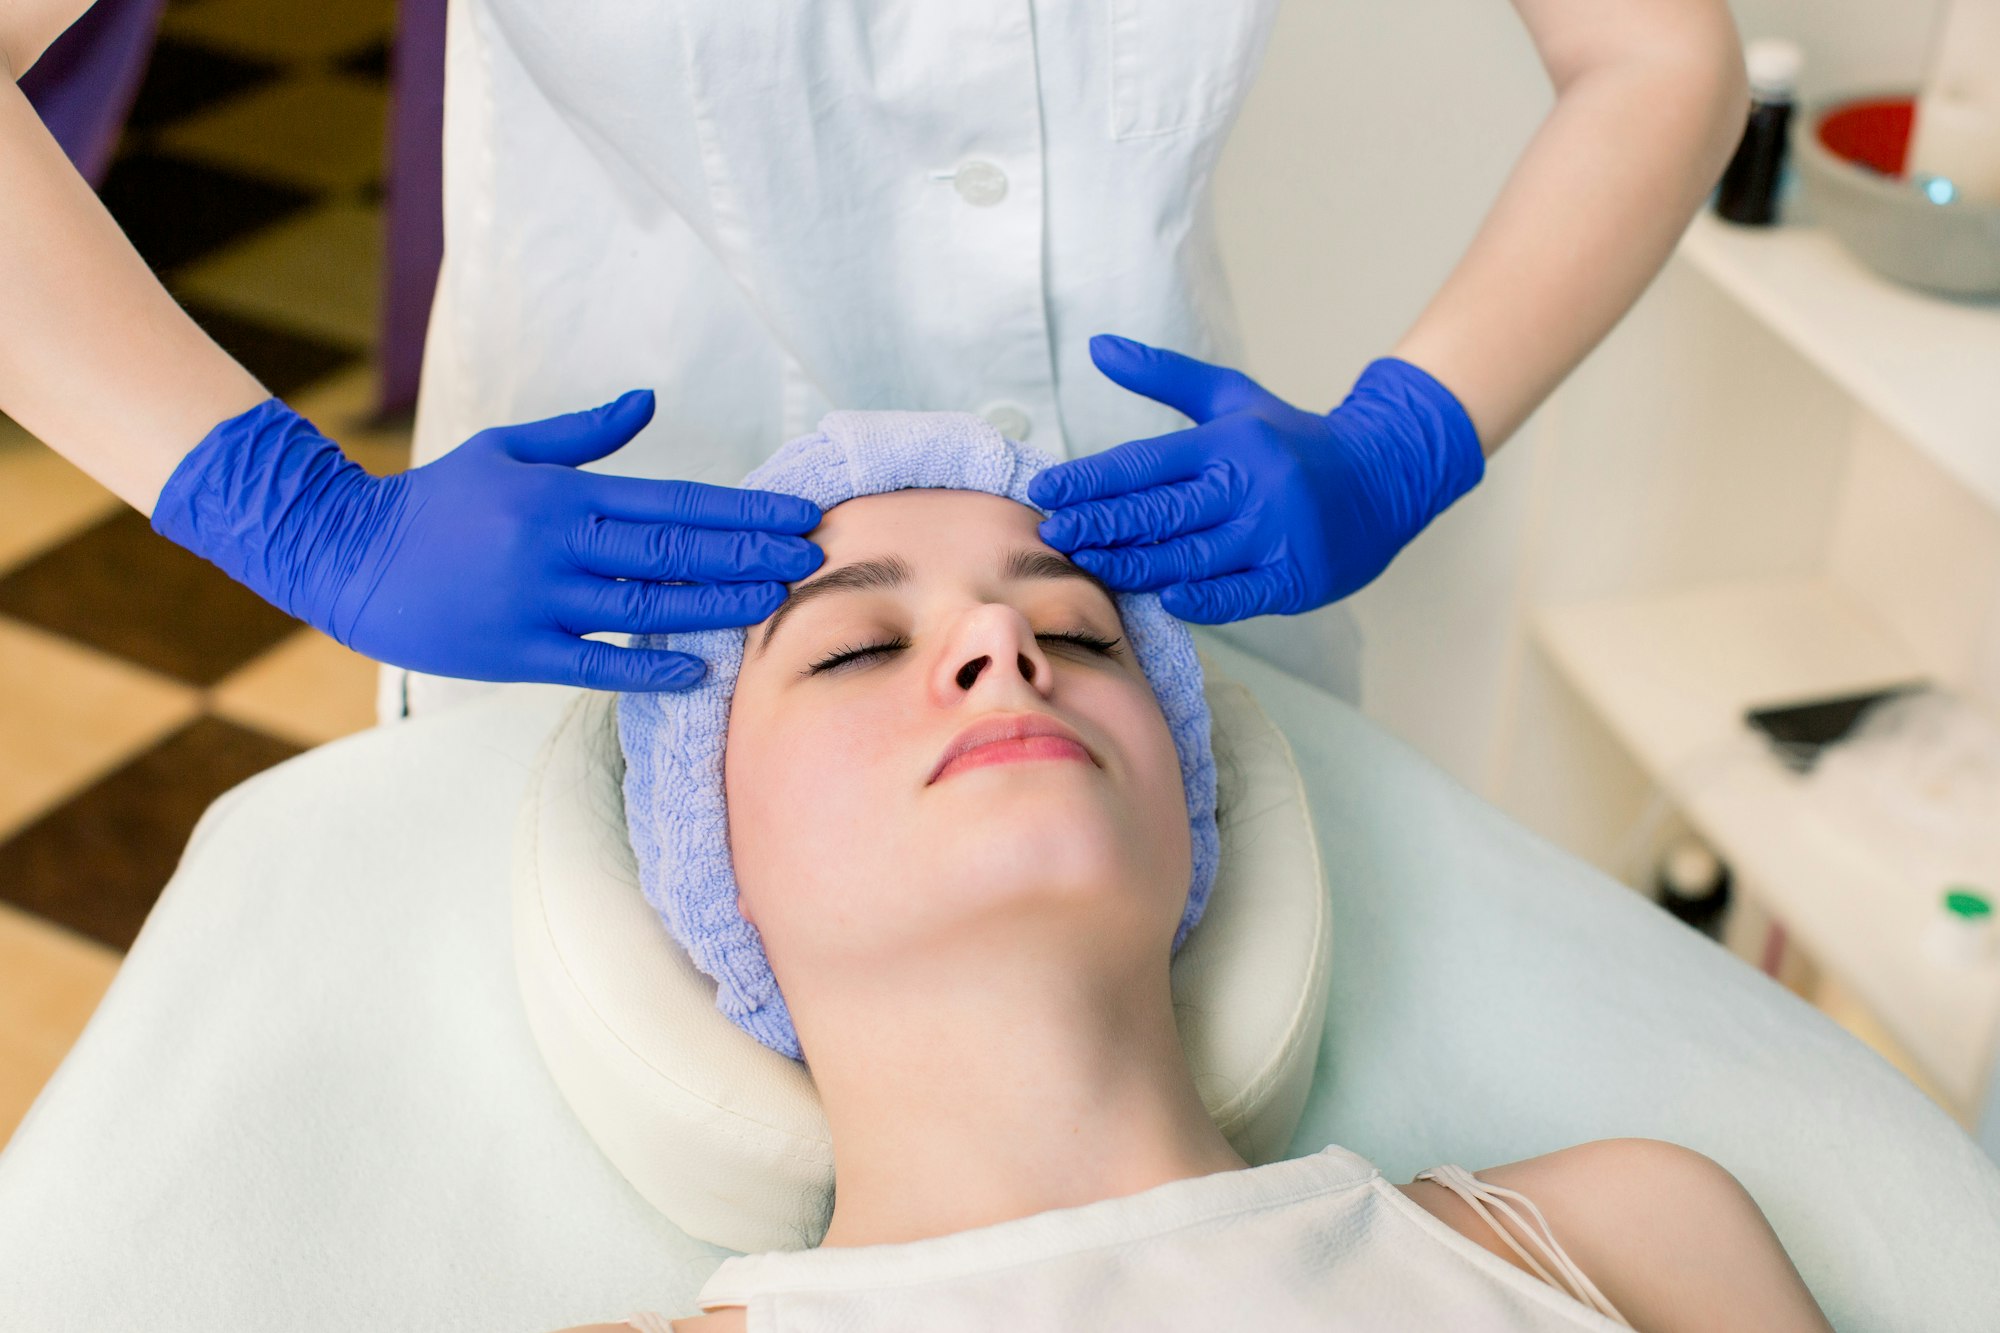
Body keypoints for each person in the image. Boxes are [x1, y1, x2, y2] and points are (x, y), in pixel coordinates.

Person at [2, 1, 1751, 720]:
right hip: (611, 617)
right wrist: (292, 514)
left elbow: (1661, 58)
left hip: (1151, 597)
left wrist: (1405, 441)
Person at [558, 480, 1832, 1332]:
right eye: (857, 647)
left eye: (1081, 633)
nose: (1003, 646)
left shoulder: (1618, 1238)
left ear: (1188, 802)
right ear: (704, 851)